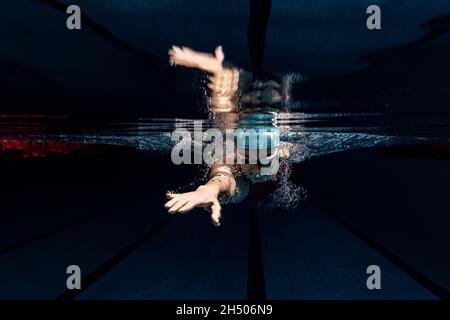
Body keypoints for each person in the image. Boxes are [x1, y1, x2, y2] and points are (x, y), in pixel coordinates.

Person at [165, 46, 290, 226]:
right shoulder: (230, 158)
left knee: (226, 110)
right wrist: (210, 189)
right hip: (251, 196)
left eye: (264, 160)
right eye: (251, 160)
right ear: (240, 153)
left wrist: (209, 190)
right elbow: (224, 179)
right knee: (233, 111)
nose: (257, 170)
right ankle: (223, 72)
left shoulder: (283, 150)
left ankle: (221, 71)